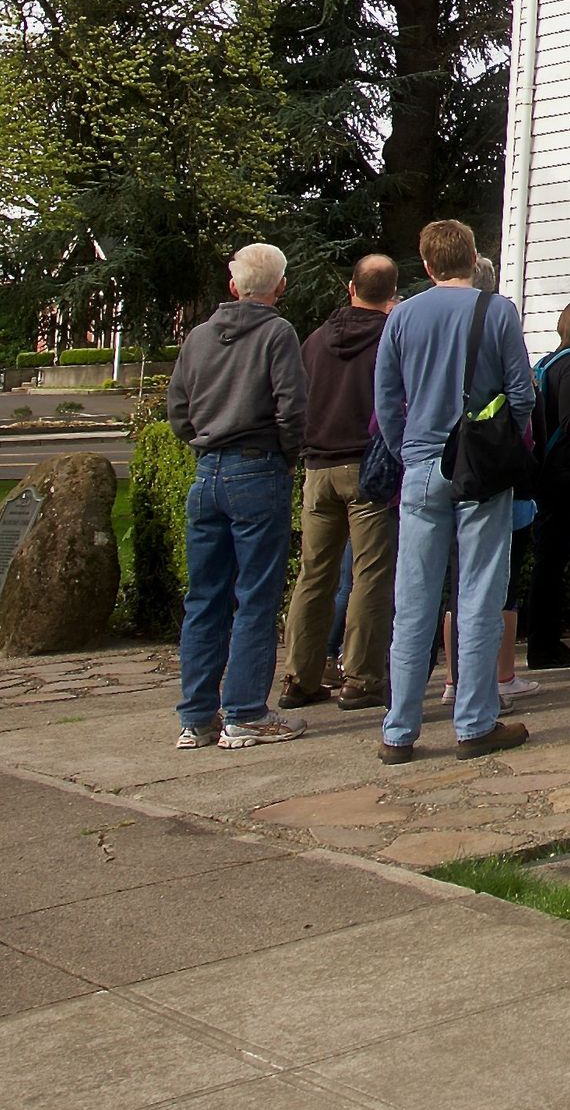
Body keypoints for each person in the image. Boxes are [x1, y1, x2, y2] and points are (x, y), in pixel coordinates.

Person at [368, 218, 537, 761]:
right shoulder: (498, 310)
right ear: (472, 257)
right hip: (480, 466)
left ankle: (399, 730)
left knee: (413, 601)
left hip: (420, 463)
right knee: (480, 594)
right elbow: (521, 391)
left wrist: (406, 451)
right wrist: (502, 440)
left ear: (426, 263)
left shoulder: (403, 316)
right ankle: (473, 721)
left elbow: (386, 397)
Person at [168, 243, 309, 751]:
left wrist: (204, 443)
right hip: (258, 465)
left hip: (208, 471)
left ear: (234, 285)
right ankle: (247, 711)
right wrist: (286, 454)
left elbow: (179, 410)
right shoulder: (277, 333)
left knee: (204, 597)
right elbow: (292, 406)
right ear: (280, 287)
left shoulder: (198, 339)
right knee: (255, 595)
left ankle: (197, 715)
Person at [277, 253, 399, 709]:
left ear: (351, 288)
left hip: (318, 468)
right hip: (367, 465)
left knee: (314, 574)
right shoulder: (391, 336)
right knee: (370, 574)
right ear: (391, 295)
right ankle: (362, 677)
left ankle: (299, 675)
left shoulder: (315, 340)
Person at [522, 299, 570, 669]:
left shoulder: (545, 363)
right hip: (560, 474)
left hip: (541, 471)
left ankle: (543, 641)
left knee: (545, 559)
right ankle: (544, 645)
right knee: (552, 561)